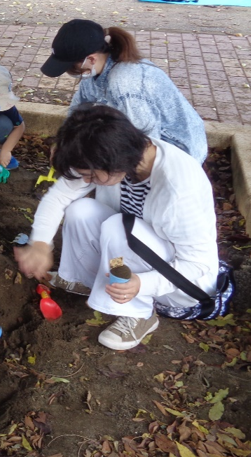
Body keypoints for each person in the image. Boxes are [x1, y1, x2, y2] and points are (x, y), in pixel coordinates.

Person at [14, 104, 220, 351]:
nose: (85, 181)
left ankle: (140, 314)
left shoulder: (179, 189)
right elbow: (59, 197)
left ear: (114, 162)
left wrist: (143, 284)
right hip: (134, 248)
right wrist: (39, 244)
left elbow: (197, 264)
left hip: (179, 283)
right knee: (80, 210)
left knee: (119, 227)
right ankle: (86, 280)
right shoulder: (117, 153)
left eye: (90, 175)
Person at [42, 19, 207, 164]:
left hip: (177, 150)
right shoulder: (94, 70)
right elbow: (79, 108)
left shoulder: (125, 84)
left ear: (91, 59)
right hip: (140, 134)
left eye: (70, 67)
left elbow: (146, 142)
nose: (69, 72)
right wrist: (62, 143)